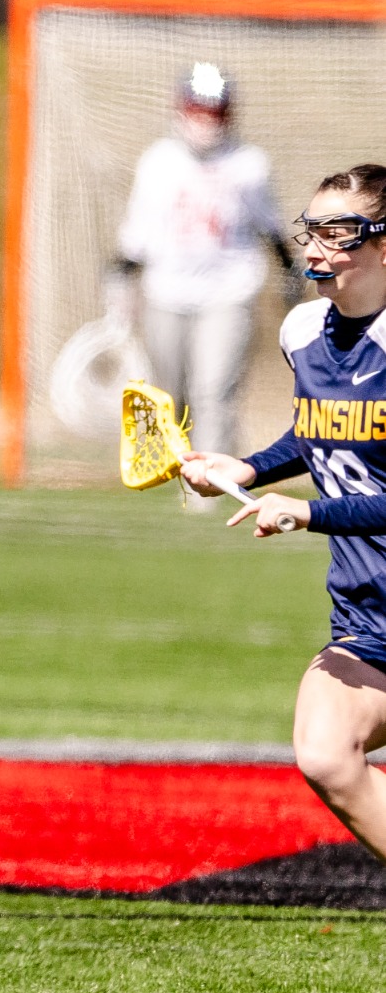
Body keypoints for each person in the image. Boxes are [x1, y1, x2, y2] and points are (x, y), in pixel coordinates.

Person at [182, 165, 386, 867]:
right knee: (326, 754)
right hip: (368, 616)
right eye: (311, 229)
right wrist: (246, 469)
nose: (317, 247)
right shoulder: (303, 331)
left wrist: (308, 513)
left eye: (339, 232)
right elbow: (317, 431)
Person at [114, 61, 293, 459]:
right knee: (171, 394)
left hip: (229, 289)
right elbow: (138, 230)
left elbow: (270, 225)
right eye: (200, 111)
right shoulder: (158, 161)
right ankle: (179, 469)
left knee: (214, 392)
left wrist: (288, 270)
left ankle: (210, 482)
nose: (207, 121)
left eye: (215, 113)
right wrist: (121, 276)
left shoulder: (249, 163)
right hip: (166, 291)